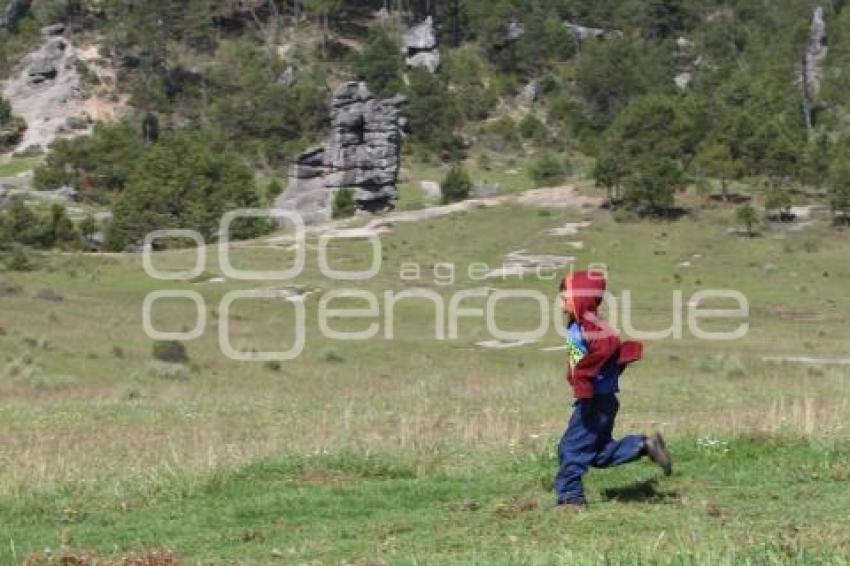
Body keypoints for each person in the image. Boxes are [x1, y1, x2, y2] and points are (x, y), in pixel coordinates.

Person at [554, 269, 672, 510]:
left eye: (565, 295)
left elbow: (607, 347)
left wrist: (585, 377)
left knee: (571, 448)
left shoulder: (593, 326)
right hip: (598, 399)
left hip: (596, 400)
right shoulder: (579, 325)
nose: (561, 301)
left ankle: (570, 499)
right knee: (596, 453)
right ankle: (644, 445)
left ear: (581, 297)